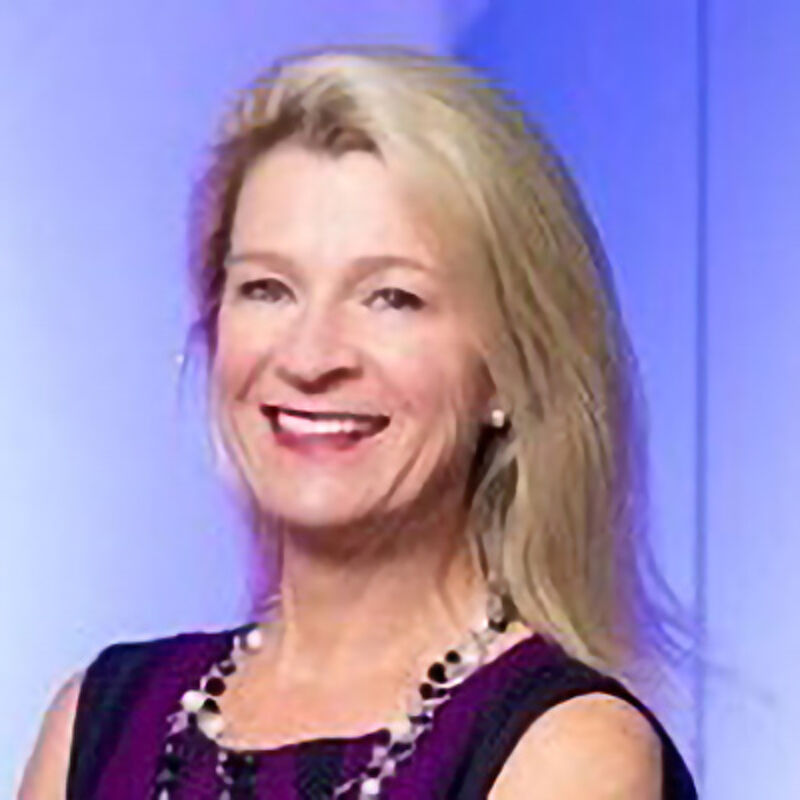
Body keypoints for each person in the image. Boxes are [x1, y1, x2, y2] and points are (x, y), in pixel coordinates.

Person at [18, 45, 698, 799]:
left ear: (506, 368)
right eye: (269, 288)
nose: (311, 357)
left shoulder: (571, 749)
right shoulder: (100, 719)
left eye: (392, 298)